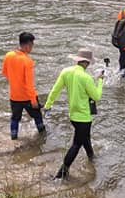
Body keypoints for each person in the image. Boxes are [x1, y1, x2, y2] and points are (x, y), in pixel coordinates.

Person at [44, 48, 104, 179]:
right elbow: (97, 96)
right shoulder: (86, 77)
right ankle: (62, 173)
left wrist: (48, 105)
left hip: (73, 116)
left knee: (85, 138)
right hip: (84, 117)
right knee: (77, 144)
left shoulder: (66, 72)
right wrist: (100, 80)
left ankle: (91, 157)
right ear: (87, 63)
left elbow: (55, 90)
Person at [1, 32, 46, 140]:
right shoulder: (27, 61)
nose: (32, 48)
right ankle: (43, 136)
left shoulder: (8, 55)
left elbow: (4, 72)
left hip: (14, 96)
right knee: (37, 116)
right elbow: (29, 84)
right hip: (27, 97)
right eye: (32, 45)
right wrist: (34, 101)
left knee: (15, 118)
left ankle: (14, 137)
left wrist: (15, 81)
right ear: (27, 45)